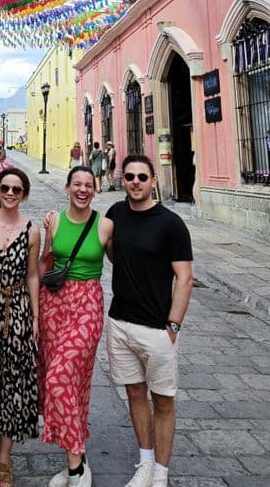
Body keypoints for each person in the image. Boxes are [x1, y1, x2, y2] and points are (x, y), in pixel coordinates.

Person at [104, 155, 194, 487]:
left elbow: (184, 278)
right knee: (134, 393)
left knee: (164, 401)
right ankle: (145, 463)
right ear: (123, 180)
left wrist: (173, 325)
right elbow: (110, 249)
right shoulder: (116, 213)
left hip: (157, 329)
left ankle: (161, 472)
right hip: (120, 323)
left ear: (153, 181)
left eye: (142, 177)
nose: (135, 182)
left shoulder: (171, 224)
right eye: (129, 176)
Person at [38, 166, 114, 487]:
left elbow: (124, 262)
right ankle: (78, 456)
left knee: (60, 377)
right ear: (67, 188)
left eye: (88, 185)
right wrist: (34, 312)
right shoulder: (54, 221)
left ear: (95, 190)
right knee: (69, 384)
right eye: (77, 184)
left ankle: (74, 468)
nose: (83, 190)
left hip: (87, 306)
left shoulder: (105, 225)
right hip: (53, 304)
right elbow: (45, 263)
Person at [0, 168, 40, 487]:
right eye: (5, 188)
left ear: (24, 193)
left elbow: (32, 274)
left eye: (16, 189)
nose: (10, 193)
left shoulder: (32, 230)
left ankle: (4, 458)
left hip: (18, 309)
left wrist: (35, 317)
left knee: (14, 382)